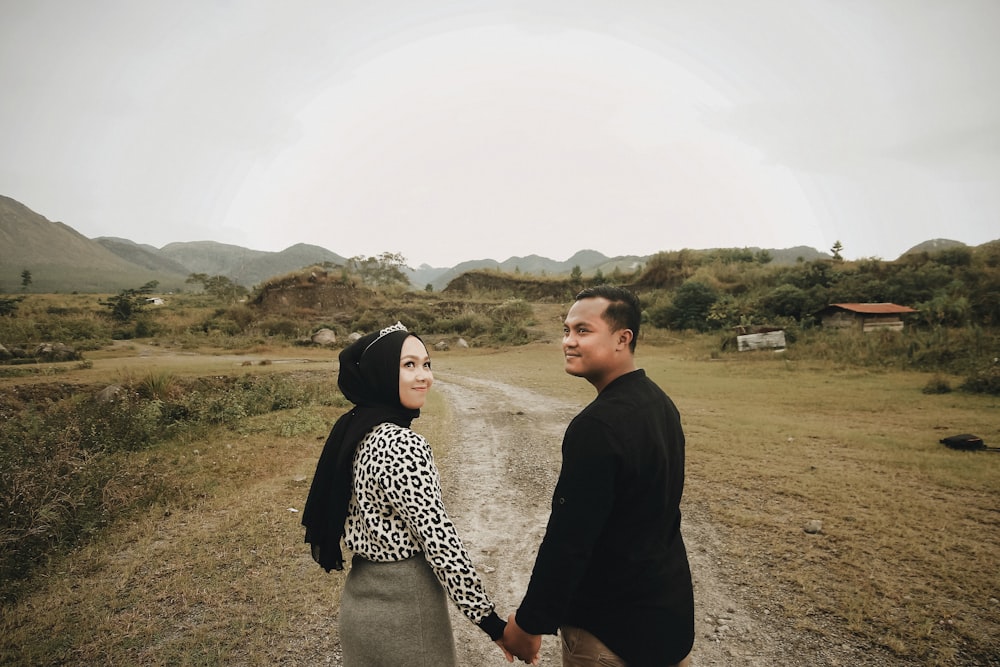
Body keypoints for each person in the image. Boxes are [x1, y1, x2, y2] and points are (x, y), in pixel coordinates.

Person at [502, 286, 695, 667]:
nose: (568, 342)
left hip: (610, 633)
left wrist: (528, 624)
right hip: (665, 620)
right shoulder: (659, 403)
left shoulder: (596, 426)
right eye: (566, 330)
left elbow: (569, 540)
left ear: (623, 339)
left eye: (582, 331)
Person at [302, 322, 510, 666]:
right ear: (381, 372)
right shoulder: (401, 444)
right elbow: (440, 542)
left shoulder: (355, 431)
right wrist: (492, 623)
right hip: (406, 611)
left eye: (426, 364)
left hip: (359, 602)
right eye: (408, 365)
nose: (424, 376)